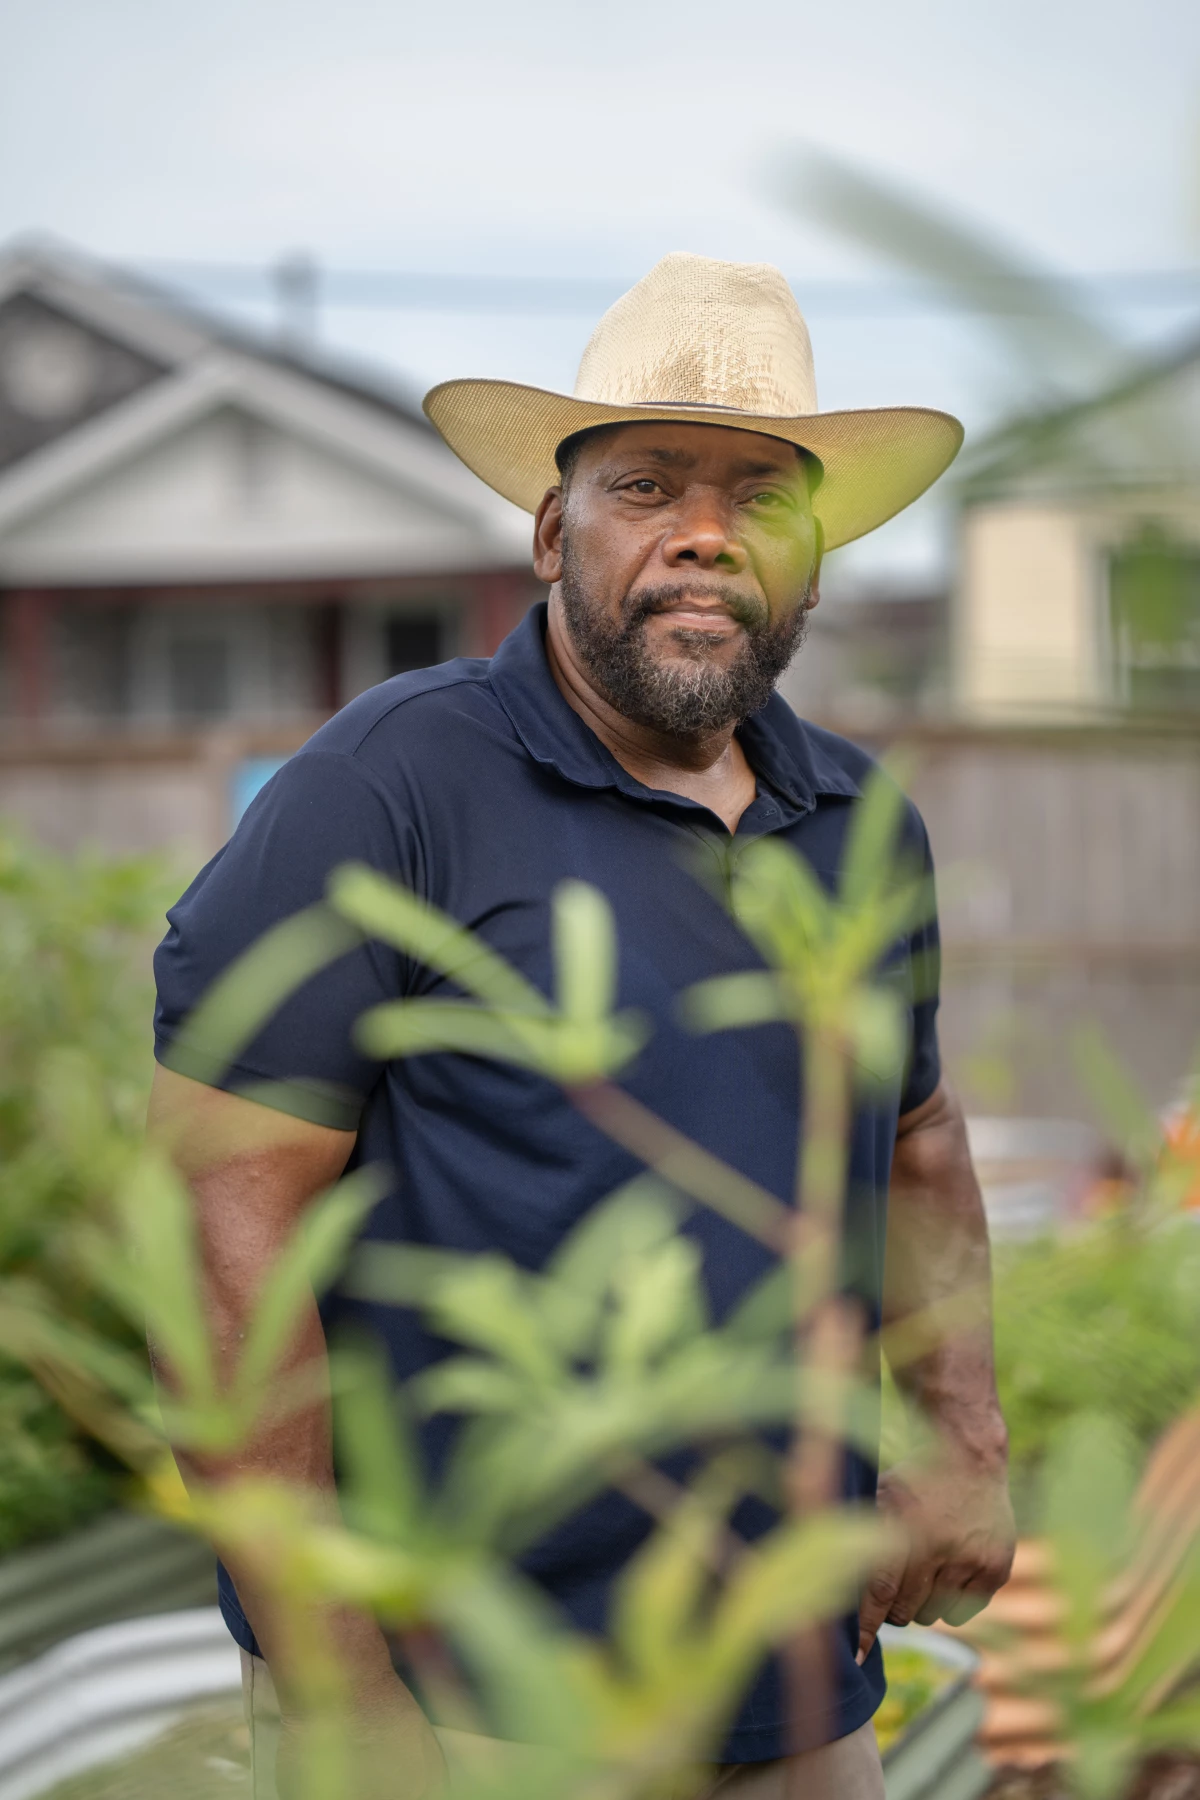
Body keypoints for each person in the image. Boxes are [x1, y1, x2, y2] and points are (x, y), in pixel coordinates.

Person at [150, 252, 1015, 1799]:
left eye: (761, 493)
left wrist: (963, 1440)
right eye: (645, 485)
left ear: (815, 557)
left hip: (794, 1668)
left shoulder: (860, 822)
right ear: (554, 532)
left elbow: (919, 1137)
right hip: (468, 1687)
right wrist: (339, 1685)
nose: (703, 532)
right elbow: (227, 1224)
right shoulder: (391, 789)